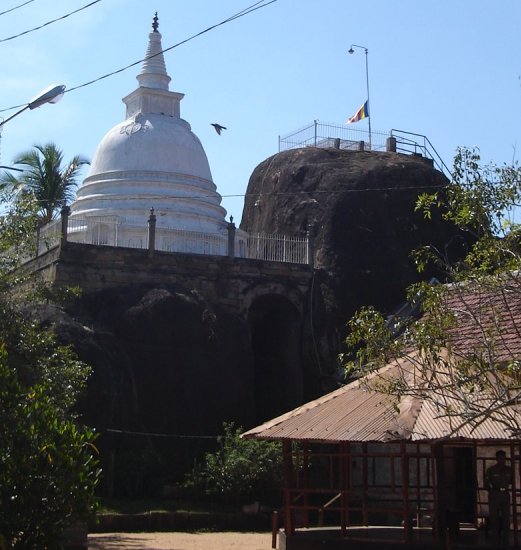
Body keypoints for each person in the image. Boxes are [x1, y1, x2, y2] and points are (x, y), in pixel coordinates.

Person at [485, 450, 512, 547]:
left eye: (503, 458)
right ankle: (495, 541)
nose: (502, 460)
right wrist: (493, 492)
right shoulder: (491, 470)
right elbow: (486, 484)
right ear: (497, 459)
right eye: (500, 458)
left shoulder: (509, 470)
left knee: (506, 518)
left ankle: (506, 541)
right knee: (494, 518)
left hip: (505, 494)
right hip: (495, 494)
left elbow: (511, 482)